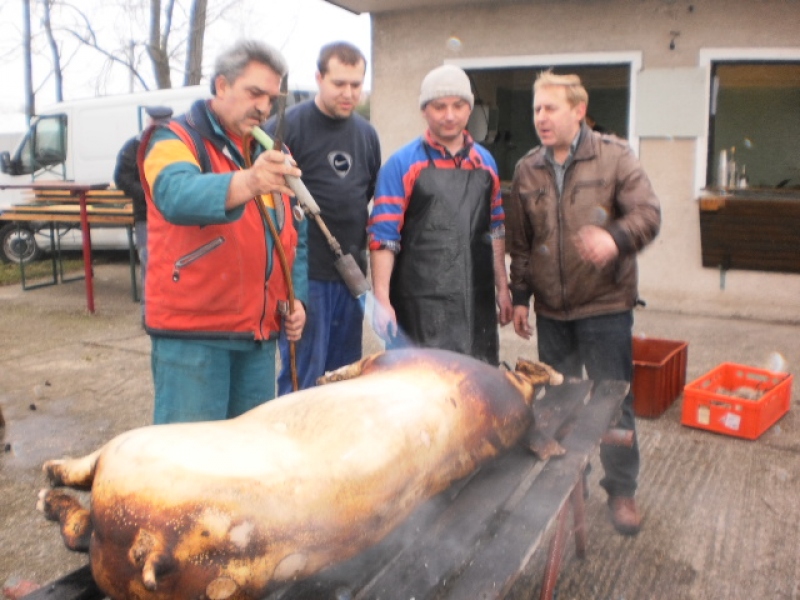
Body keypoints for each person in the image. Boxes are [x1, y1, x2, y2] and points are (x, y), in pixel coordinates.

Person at [506, 70, 661, 535]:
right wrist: (519, 298)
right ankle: (573, 484)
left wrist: (615, 238)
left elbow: (648, 214)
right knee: (560, 404)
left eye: (550, 108)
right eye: (536, 108)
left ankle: (622, 490)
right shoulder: (526, 169)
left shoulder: (614, 158)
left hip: (605, 307)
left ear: (578, 110)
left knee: (615, 404)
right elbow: (522, 244)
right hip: (552, 313)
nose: (540, 117)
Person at [139, 39, 308, 424]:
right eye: (255, 93)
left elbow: (295, 232)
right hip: (195, 336)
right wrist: (249, 182)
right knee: (189, 461)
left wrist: (298, 300)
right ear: (220, 86)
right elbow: (175, 194)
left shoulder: (263, 152)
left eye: (272, 98)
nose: (264, 107)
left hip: (258, 337)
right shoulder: (174, 139)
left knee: (247, 461)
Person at [367, 64, 512, 366]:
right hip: (418, 306)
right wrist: (382, 299)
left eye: (458, 106)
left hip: (476, 303)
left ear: (469, 109)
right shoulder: (402, 164)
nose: (449, 115)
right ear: (424, 111)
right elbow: (383, 238)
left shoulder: (485, 163)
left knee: (477, 389)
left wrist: (503, 288)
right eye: (439, 106)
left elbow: (496, 229)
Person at [263, 41, 381, 394]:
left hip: (350, 274)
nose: (348, 93)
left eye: (356, 85)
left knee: (345, 374)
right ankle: (294, 443)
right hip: (305, 276)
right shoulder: (287, 129)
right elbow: (267, 200)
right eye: (339, 83)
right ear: (318, 78)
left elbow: (366, 191)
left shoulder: (366, 134)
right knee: (304, 372)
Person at [113, 105, 173, 318]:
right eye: (155, 121)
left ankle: (172, 313)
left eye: (162, 121)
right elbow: (121, 178)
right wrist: (147, 195)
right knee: (150, 263)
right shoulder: (134, 147)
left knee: (176, 264)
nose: (156, 125)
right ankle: (149, 315)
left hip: (175, 216)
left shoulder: (178, 143)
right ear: (148, 120)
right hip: (146, 217)